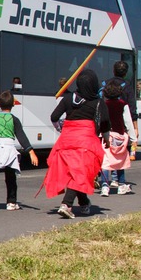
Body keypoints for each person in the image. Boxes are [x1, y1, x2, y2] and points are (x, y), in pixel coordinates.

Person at [44, 69, 105, 219]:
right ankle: (67, 204)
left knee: (75, 171)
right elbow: (105, 123)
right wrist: (107, 139)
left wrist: (62, 129)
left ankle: (84, 203)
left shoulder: (67, 98)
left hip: (66, 140)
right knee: (79, 172)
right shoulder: (97, 102)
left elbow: (54, 116)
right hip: (85, 141)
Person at [0, 89, 36, 213]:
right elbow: (21, 136)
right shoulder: (14, 120)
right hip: (9, 150)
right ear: (13, 104)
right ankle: (11, 202)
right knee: (10, 177)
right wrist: (30, 151)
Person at [97, 77, 135, 196]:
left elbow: (99, 120)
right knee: (120, 160)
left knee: (106, 161)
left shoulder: (102, 104)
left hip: (106, 135)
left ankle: (104, 186)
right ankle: (122, 184)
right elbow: (128, 122)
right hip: (119, 135)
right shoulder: (123, 104)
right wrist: (133, 138)